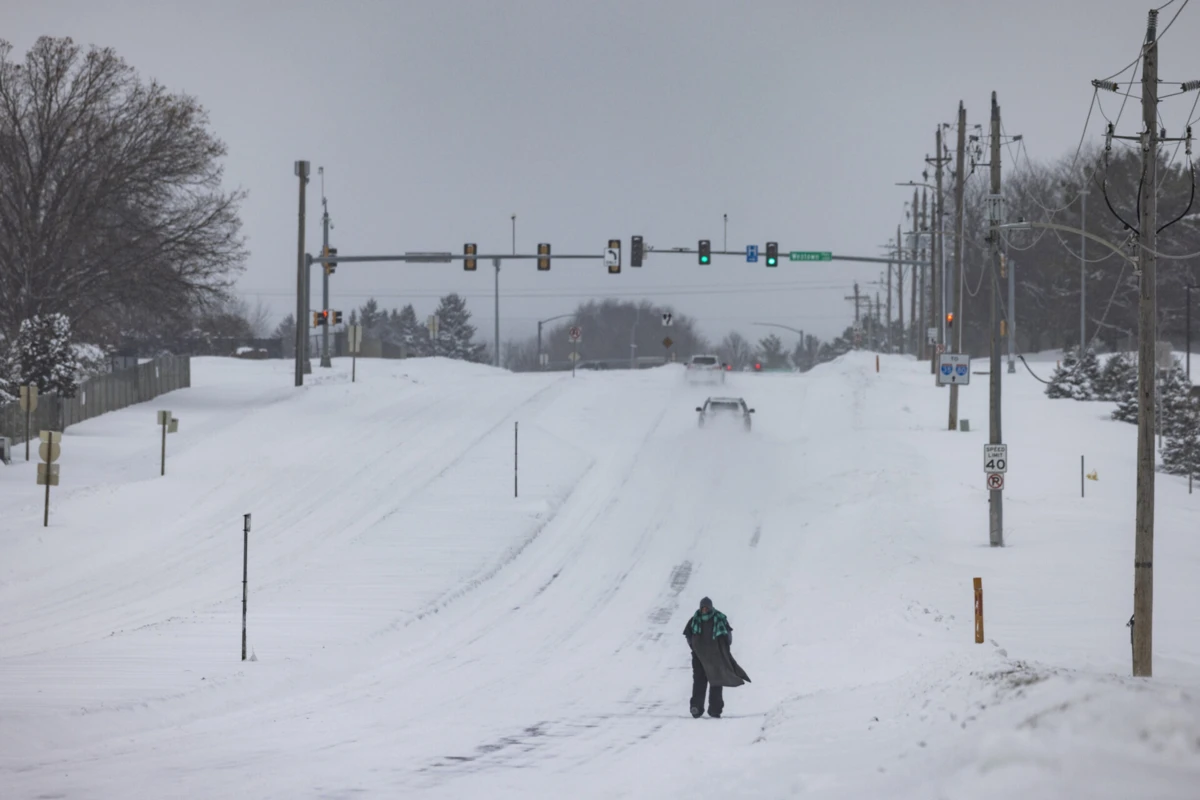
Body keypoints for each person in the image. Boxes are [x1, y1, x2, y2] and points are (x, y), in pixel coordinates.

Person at [683, 596, 750, 718]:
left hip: (715, 656)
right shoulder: (694, 620)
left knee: (716, 681)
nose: (704, 610)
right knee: (699, 681)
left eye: (706, 608)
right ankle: (696, 708)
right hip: (699, 657)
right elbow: (688, 635)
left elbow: (728, 636)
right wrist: (694, 647)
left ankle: (715, 709)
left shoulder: (719, 619)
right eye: (703, 608)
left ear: (710, 607)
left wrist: (723, 648)